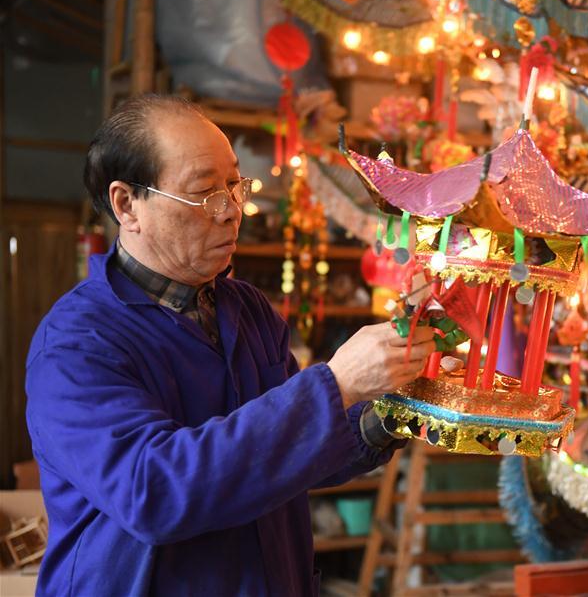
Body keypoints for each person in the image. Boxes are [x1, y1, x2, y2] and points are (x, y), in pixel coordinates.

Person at [25, 94, 436, 596]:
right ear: (126, 204)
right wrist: (335, 384)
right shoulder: (76, 344)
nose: (231, 212)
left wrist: (391, 410)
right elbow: (154, 493)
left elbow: (291, 451)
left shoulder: (246, 309)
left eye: (235, 187)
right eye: (205, 193)